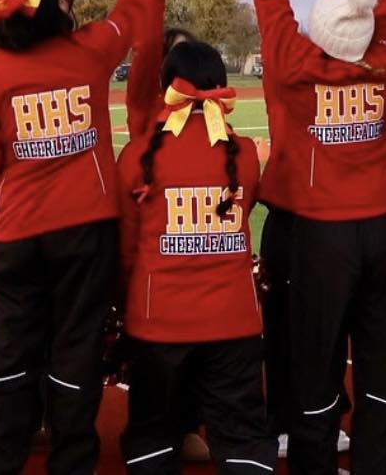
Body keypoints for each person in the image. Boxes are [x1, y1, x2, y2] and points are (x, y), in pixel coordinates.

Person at [0, 0, 154, 475]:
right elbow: (133, 12)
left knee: (7, 359)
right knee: (76, 356)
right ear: (63, 1)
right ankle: (72, 462)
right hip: (85, 234)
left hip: (19, 235)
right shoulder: (91, 50)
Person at [253, 0, 386, 475]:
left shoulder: (295, 65)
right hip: (379, 231)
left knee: (315, 368)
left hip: (322, 238)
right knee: (382, 364)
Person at [115, 40, 278, 473]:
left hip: (158, 322)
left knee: (153, 435)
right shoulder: (244, 156)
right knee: (242, 437)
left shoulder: (137, 157)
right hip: (234, 322)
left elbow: (127, 249)